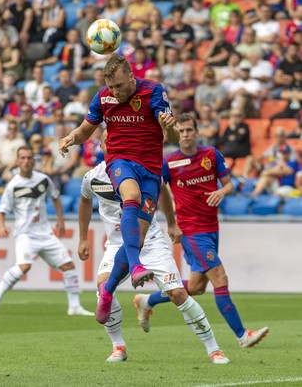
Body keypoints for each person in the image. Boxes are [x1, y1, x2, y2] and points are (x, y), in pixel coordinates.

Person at [78, 130, 230, 364]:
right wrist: (83, 238)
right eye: (109, 140)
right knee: (102, 287)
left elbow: (163, 194)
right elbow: (85, 201)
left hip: (150, 243)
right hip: (117, 244)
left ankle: (214, 349)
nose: (114, 143)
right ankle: (118, 347)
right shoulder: (92, 177)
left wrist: (171, 222)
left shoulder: (141, 169)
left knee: (178, 293)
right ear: (103, 145)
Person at [58, 54, 178, 324]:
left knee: (137, 237)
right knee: (130, 197)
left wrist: (169, 128)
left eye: (120, 86)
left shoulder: (154, 92)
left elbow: (172, 138)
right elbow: (86, 129)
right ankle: (136, 266)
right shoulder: (102, 97)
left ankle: (108, 291)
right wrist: (70, 138)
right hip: (119, 161)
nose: (115, 92)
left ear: (132, 78)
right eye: (111, 87)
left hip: (150, 169)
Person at [135, 114, 269, 349]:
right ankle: (242, 335)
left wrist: (222, 192)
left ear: (197, 132)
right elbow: (158, 191)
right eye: (182, 131)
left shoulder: (211, 155)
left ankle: (147, 301)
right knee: (220, 277)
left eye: (189, 130)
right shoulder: (170, 162)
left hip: (211, 228)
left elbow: (228, 183)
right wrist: (169, 222)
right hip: (191, 230)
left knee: (196, 287)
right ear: (177, 134)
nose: (185, 134)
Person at [0, 146, 94, 317]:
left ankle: (74, 307)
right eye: (23, 158)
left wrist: (60, 220)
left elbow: (55, 197)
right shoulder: (13, 185)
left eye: (29, 158)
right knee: (24, 266)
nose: (27, 161)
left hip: (45, 233)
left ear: (34, 160)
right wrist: (1, 226)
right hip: (25, 234)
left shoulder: (43, 180)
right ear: (17, 160)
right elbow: (1, 212)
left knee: (68, 266)